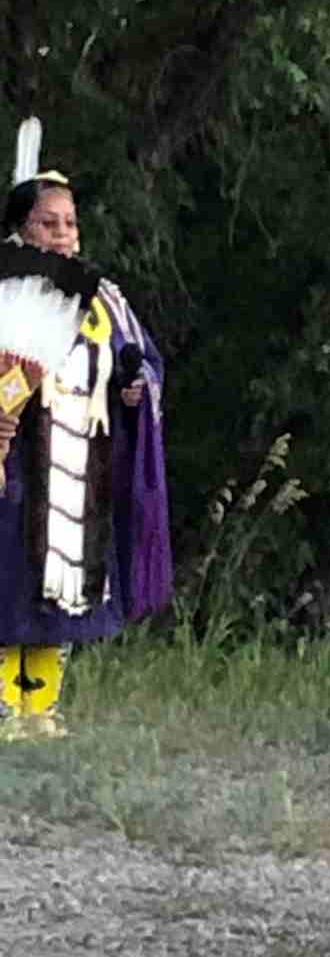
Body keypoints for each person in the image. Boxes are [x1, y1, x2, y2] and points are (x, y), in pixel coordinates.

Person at [0, 169, 173, 737]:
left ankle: (42, 707)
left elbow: (142, 358)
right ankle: (5, 707)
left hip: (81, 461)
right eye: (48, 223)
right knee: (11, 577)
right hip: (18, 461)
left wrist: (135, 388)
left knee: (66, 585)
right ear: (21, 230)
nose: (63, 234)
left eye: (70, 223)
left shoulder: (105, 300)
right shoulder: (6, 289)